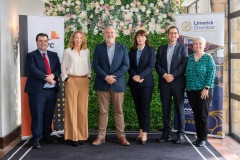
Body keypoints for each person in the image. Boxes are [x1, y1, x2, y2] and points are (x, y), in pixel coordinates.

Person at [92, 26, 130, 146]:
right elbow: (95, 65)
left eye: (112, 32)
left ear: (116, 34)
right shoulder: (99, 47)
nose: (110, 34)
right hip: (103, 83)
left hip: (117, 84)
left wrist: (113, 76)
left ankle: (121, 136)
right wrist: (105, 77)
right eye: (107, 33)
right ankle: (101, 136)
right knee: (103, 111)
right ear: (104, 34)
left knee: (119, 111)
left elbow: (126, 65)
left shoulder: (122, 47)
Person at [24, 33, 61, 149]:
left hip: (51, 91)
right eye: (40, 41)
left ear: (48, 42)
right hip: (37, 91)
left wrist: (53, 75)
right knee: (37, 115)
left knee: (48, 115)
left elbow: (58, 69)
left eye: (45, 41)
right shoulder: (31, 56)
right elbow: (32, 70)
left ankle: (47, 136)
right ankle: (36, 138)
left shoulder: (54, 55)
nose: (43, 43)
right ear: (36, 42)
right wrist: (47, 78)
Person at [155, 26, 188, 144]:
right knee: (165, 109)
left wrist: (172, 75)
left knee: (179, 109)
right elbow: (157, 64)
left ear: (178, 35)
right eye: (171, 33)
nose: (173, 35)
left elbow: (184, 64)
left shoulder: (183, 49)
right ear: (167, 35)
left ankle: (181, 133)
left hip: (177, 83)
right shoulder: (161, 48)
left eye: (175, 33)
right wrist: (164, 75)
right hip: (164, 83)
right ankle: (166, 132)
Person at [61, 30, 91, 146]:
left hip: (84, 81)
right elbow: (63, 67)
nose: (78, 40)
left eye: (80, 38)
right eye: (76, 37)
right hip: (71, 80)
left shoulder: (86, 51)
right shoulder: (67, 51)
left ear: (83, 39)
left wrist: (88, 77)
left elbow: (88, 65)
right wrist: (66, 79)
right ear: (73, 39)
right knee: (71, 108)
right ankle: (73, 136)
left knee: (82, 109)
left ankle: (81, 135)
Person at [186, 37, 216, 147]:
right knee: (196, 114)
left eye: (200, 43)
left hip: (204, 90)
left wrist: (207, 88)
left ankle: (203, 138)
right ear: (193, 46)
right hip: (191, 90)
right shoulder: (189, 58)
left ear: (204, 45)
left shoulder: (208, 58)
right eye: (195, 44)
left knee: (203, 115)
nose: (197, 45)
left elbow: (211, 73)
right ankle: (198, 137)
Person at [128, 30, 156, 144]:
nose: (140, 39)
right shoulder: (132, 50)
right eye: (138, 37)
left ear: (146, 38)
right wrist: (134, 76)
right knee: (138, 108)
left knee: (145, 108)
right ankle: (140, 131)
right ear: (136, 39)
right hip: (134, 82)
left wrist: (140, 76)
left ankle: (145, 133)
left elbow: (151, 65)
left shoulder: (150, 50)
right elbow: (128, 65)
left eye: (142, 36)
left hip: (146, 84)